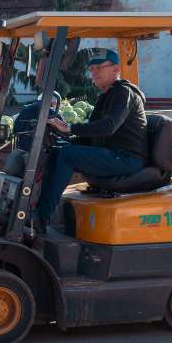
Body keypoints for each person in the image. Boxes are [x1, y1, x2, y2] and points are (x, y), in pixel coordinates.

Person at [32, 48, 148, 231]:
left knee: (68, 155)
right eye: (91, 69)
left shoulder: (124, 93)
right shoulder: (107, 96)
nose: (93, 73)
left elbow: (108, 127)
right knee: (57, 152)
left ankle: (40, 217)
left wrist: (69, 127)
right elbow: (93, 133)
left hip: (126, 158)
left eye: (99, 68)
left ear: (116, 69)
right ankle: (38, 213)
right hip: (112, 154)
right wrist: (64, 137)